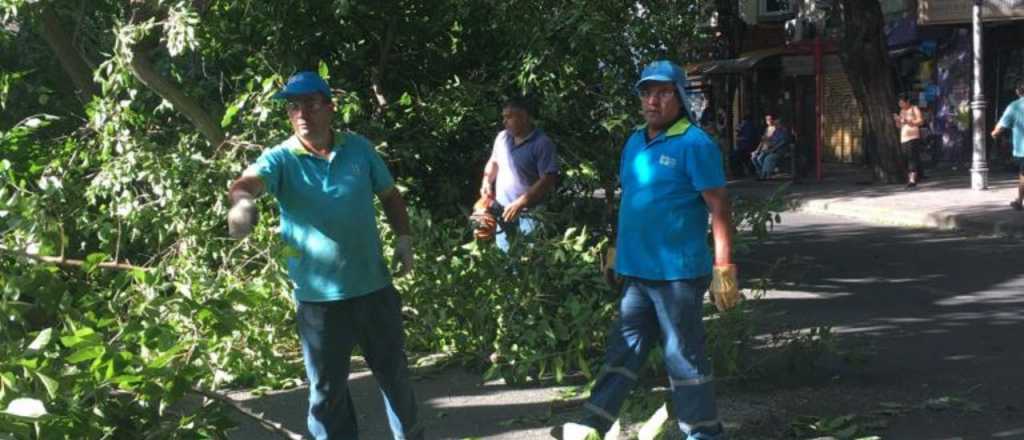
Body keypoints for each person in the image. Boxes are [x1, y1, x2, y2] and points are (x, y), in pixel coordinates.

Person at [226, 71, 422, 440]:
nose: (302, 113)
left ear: (330, 107)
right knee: (327, 394)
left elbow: (391, 196)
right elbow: (246, 183)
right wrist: (242, 203)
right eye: (293, 106)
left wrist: (404, 238)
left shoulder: (359, 149)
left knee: (395, 378)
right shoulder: (281, 159)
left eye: (311, 103)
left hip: (373, 290)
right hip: (320, 304)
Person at [554, 60, 740, 440]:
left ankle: (703, 433)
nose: (652, 100)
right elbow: (632, 199)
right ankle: (592, 426)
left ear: (680, 97)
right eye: (646, 92)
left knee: (682, 356)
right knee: (621, 350)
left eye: (662, 92)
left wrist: (724, 267)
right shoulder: (635, 141)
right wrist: (616, 249)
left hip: (678, 275)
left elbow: (719, 208)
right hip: (637, 271)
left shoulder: (695, 143)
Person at [479, 97, 559, 250]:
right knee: (503, 259)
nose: (504, 121)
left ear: (523, 117)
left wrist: (521, 202)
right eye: (504, 117)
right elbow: (493, 162)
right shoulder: (502, 138)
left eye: (509, 117)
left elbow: (548, 179)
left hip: (530, 215)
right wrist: (487, 181)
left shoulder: (542, 143)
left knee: (528, 262)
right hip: (502, 210)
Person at [992, 81, 1024, 211]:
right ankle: (1019, 201)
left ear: (1018, 92)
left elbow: (1001, 126)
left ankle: (1019, 201)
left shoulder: (1015, 106)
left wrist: (994, 133)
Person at [894, 93, 925, 188]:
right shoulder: (902, 111)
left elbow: (921, 121)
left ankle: (912, 180)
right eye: (899, 103)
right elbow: (899, 126)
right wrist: (897, 120)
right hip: (904, 138)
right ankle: (913, 177)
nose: (901, 105)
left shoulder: (914, 108)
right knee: (906, 158)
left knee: (912, 158)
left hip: (913, 137)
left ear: (907, 102)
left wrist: (908, 121)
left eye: (902, 103)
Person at [750, 113, 791, 180]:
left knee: (767, 158)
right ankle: (763, 174)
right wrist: (758, 150)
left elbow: (782, 143)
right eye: (776, 124)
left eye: (777, 124)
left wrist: (772, 149)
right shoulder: (774, 131)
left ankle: (764, 175)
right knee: (756, 157)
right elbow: (768, 140)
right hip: (770, 149)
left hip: (779, 151)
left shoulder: (784, 131)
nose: (776, 125)